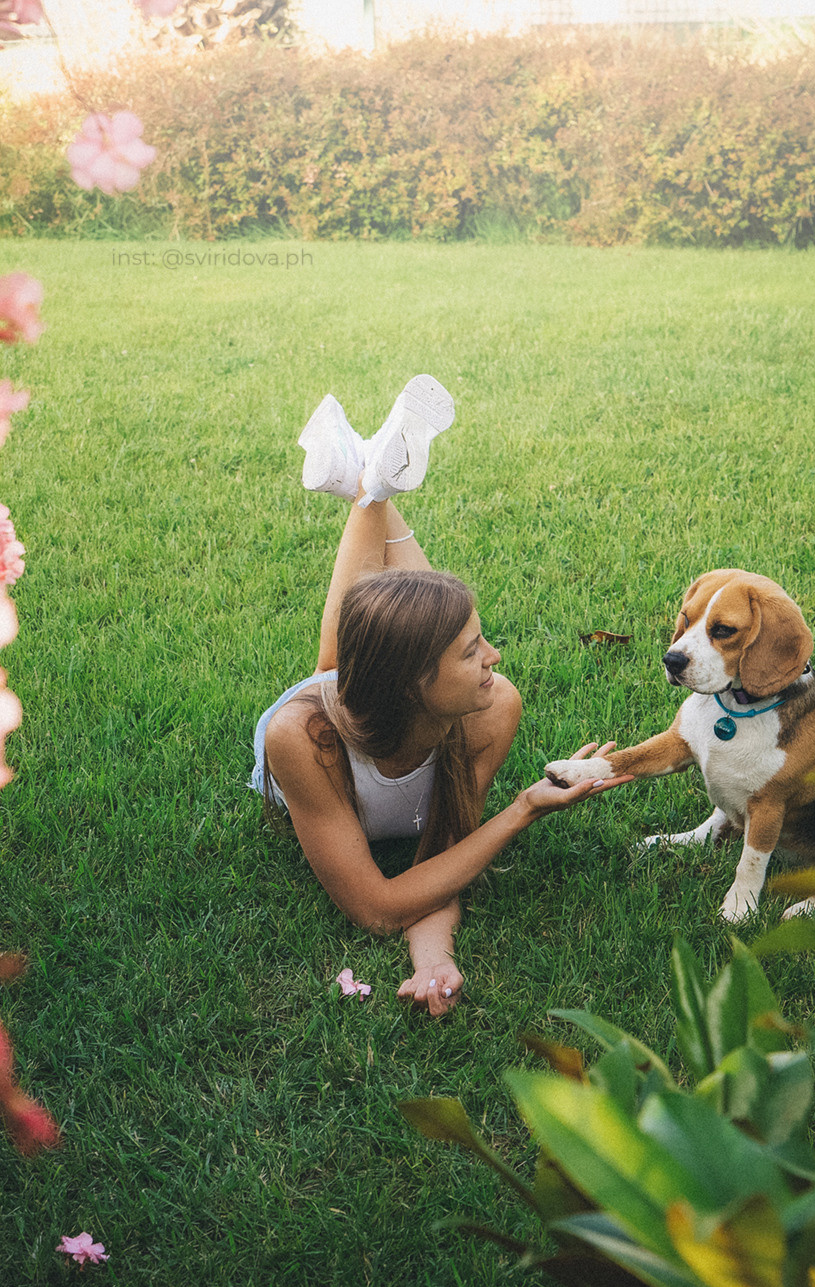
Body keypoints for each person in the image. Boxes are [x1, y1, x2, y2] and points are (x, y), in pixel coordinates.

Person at [250, 376, 632, 1016]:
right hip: (333, 719)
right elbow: (376, 907)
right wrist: (523, 810)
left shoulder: (492, 707)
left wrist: (434, 958)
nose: (495, 659)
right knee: (336, 664)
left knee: (377, 634)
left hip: (377, 689)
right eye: (470, 652)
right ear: (414, 685)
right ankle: (370, 484)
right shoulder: (300, 740)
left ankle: (370, 482)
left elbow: (442, 857)